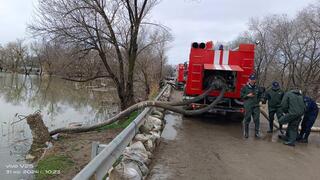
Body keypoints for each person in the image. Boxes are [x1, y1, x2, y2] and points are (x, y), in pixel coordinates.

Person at [241, 74, 263, 138]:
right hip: (248, 106)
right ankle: (246, 133)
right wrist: (247, 95)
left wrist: (260, 101)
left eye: (254, 79)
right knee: (247, 119)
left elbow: (260, 95)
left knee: (256, 119)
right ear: (249, 79)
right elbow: (241, 96)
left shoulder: (257, 87)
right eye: (251, 79)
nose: (252, 81)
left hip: (256, 106)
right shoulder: (245, 87)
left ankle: (256, 133)